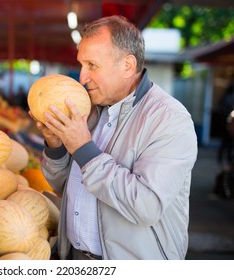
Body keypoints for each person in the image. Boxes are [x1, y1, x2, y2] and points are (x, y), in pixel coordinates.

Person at [32, 15, 198, 260]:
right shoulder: (91, 110)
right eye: (81, 65)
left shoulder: (170, 119)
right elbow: (69, 189)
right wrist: (56, 147)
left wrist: (83, 147)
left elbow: (145, 205)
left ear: (128, 66)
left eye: (92, 65)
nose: (82, 78)